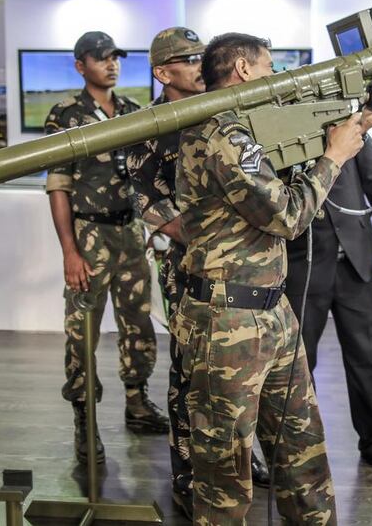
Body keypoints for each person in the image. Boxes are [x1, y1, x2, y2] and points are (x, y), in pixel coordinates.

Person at [172, 32, 372, 523]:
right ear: (241, 69)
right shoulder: (222, 135)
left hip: (270, 312)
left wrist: (363, 121)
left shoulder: (245, 127)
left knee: (302, 453)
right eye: (269, 66)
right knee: (224, 477)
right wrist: (335, 154)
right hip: (227, 321)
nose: (277, 75)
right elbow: (288, 217)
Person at [126, 26, 268, 520]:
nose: (199, 66)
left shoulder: (227, 117)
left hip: (244, 276)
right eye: (189, 59)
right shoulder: (149, 128)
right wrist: (223, 229)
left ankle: (239, 462)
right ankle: (189, 478)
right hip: (189, 274)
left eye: (202, 57)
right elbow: (156, 207)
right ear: (163, 72)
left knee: (242, 378)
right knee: (191, 378)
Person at [44, 31, 168, 466]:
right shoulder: (65, 115)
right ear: (81, 66)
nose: (111, 64)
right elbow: (58, 186)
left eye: (115, 57)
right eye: (101, 58)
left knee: (138, 323)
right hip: (89, 236)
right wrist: (69, 252)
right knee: (83, 330)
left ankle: (137, 402)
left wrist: (157, 226)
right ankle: (85, 420)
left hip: (131, 234)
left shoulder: (134, 111)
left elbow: (147, 178)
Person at [285, 138, 372, 484]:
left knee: (368, 357)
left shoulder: (345, 122)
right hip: (303, 264)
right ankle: (296, 452)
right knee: (296, 364)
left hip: (357, 262)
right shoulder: (273, 126)